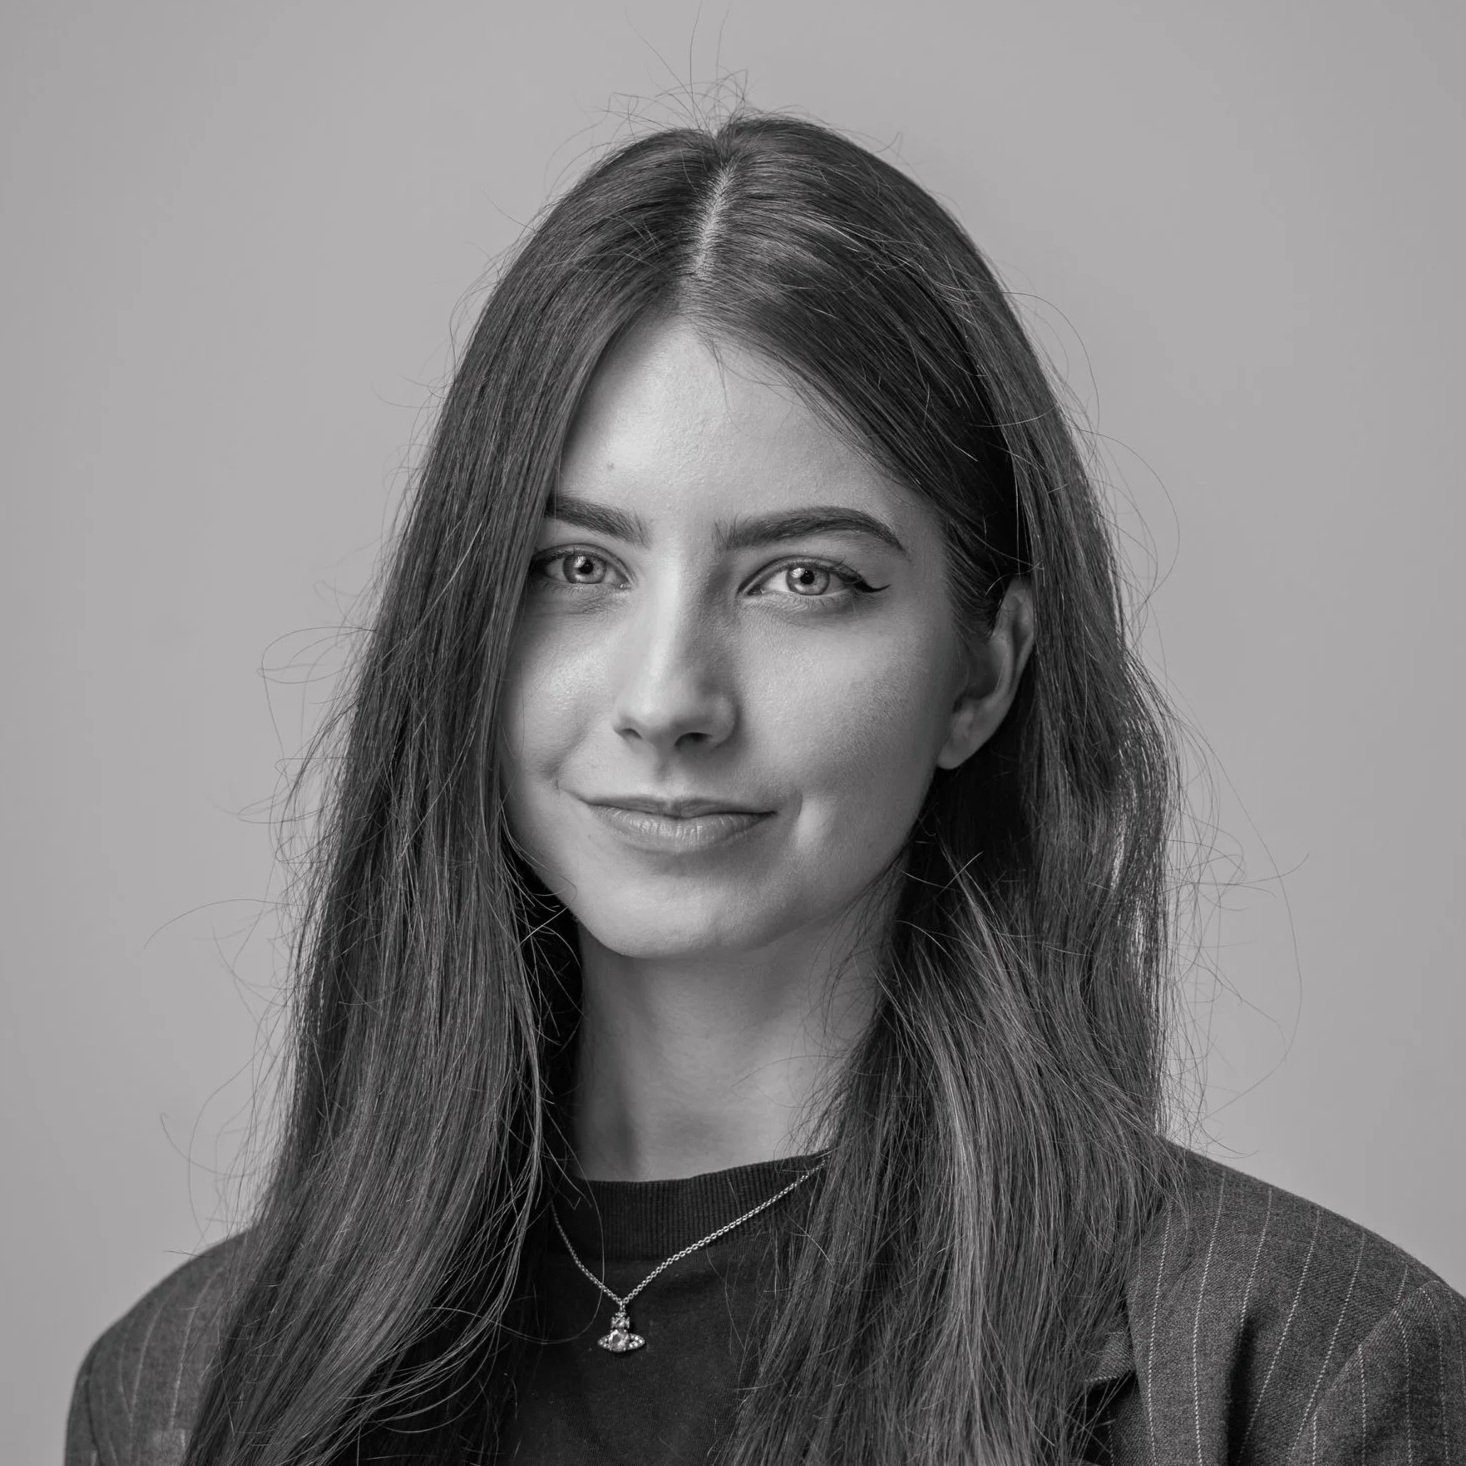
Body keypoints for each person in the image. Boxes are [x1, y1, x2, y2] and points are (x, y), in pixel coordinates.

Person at [66, 111, 1466, 1466]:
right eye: (577, 567)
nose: (668, 698)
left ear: (981, 673)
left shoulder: (1305, 1371)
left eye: (803, 579)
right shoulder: (179, 1390)